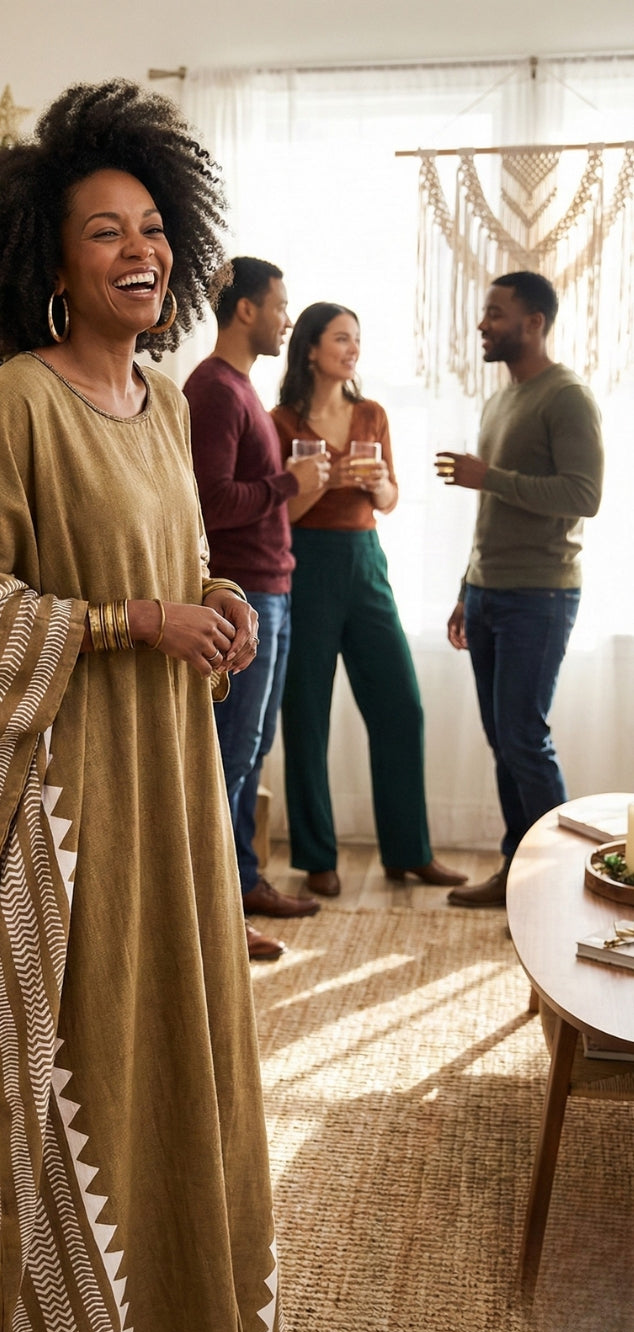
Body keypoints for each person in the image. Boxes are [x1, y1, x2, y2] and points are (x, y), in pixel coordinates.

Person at [0, 80, 284, 1332]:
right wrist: (131, 621)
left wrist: (216, 602)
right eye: (104, 231)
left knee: (176, 1037)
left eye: (150, 225)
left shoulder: (170, 406)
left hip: (171, 788)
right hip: (65, 815)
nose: (140, 250)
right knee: (87, 1052)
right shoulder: (13, 405)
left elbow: (175, 568)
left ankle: (180, 1304)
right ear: (53, 266)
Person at [271, 302, 467, 897]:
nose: (352, 348)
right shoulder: (280, 422)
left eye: (357, 339)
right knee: (306, 715)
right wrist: (322, 482)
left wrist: (375, 482)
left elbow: (389, 498)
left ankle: (410, 851)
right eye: (340, 338)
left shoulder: (372, 414)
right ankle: (316, 856)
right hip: (304, 564)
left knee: (401, 707)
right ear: (310, 349)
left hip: (366, 564)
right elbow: (282, 513)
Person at [436, 271, 604, 907]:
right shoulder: (501, 400)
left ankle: (561, 890)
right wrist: (465, 586)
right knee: (504, 740)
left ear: (533, 322)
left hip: (541, 594)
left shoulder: (567, 397)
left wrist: (492, 476)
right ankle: (518, 873)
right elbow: (492, 512)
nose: (483, 324)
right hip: (488, 591)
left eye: (495, 313)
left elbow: (584, 495)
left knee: (524, 739)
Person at [185, 258, 329, 962]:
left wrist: (288, 486)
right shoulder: (213, 391)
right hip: (242, 596)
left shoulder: (240, 389)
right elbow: (209, 503)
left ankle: (242, 883)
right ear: (244, 310)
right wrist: (286, 483)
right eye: (280, 304)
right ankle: (217, 914)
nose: (287, 317)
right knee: (230, 757)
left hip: (273, 589)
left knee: (249, 751)